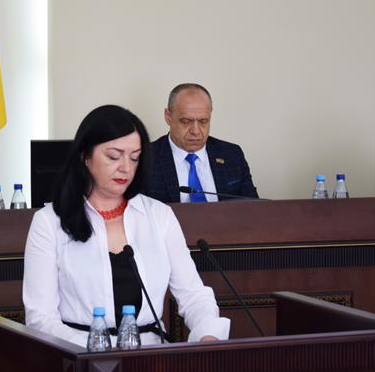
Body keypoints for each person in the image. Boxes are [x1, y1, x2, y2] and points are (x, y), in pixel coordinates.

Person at [23, 104, 230, 347]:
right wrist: (97, 350)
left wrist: (208, 334)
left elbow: (193, 295)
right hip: (79, 356)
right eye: (114, 156)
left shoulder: (159, 215)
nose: (126, 168)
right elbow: (41, 319)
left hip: (151, 355)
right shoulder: (49, 222)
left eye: (134, 158)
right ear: (85, 156)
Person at [145, 83, 258, 203]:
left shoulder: (232, 155)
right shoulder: (145, 159)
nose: (196, 131)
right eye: (186, 121)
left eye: (203, 121)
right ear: (168, 117)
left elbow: (254, 207)